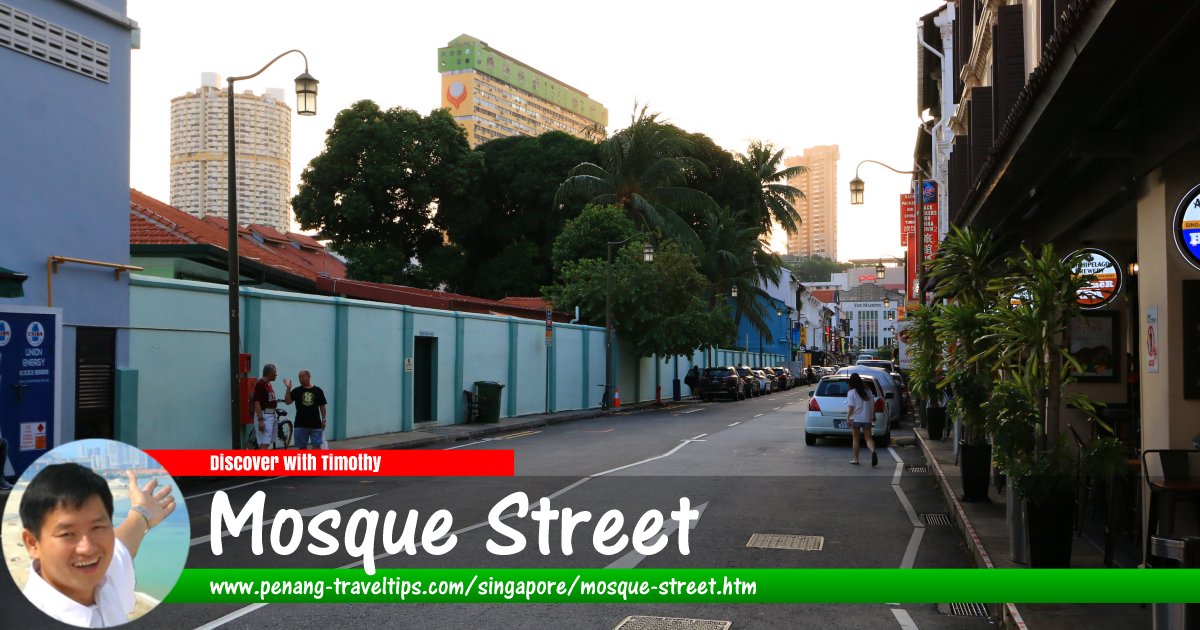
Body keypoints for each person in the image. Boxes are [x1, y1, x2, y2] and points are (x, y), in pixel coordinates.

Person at [19, 463, 175, 627]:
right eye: (67, 534)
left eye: (97, 527)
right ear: (32, 543)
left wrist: (143, 512)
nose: (88, 548)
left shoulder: (103, 578)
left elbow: (123, 543)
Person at [284, 369, 328, 450]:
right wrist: (288, 389)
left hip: (316, 425)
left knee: (317, 447)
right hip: (301, 424)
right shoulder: (297, 390)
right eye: (299, 377)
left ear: (309, 376)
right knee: (302, 448)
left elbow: (322, 406)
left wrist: (324, 419)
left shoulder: (318, 390)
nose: (301, 379)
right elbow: (287, 402)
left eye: (303, 377)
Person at [253, 363, 290, 449]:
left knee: (268, 441)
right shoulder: (260, 384)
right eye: (275, 372)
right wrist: (261, 420)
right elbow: (256, 402)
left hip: (271, 415)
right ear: (270, 373)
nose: (276, 374)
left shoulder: (268, 384)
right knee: (265, 442)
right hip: (264, 416)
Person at [845, 373, 878, 467]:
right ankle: (873, 451)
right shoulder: (868, 391)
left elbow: (851, 408)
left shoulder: (851, 393)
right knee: (868, 438)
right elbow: (872, 405)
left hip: (855, 419)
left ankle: (856, 460)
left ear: (851, 382)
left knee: (856, 439)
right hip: (867, 418)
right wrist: (873, 415)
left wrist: (847, 418)